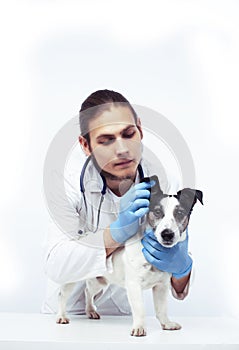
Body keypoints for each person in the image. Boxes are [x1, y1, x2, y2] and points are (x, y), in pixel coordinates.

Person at [42, 89, 192, 315]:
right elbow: (56, 266)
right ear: (85, 145)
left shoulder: (164, 181)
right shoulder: (66, 182)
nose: (122, 149)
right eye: (106, 140)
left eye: (129, 134)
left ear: (140, 130)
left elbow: (176, 286)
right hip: (68, 318)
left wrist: (181, 268)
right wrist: (116, 233)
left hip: (124, 319)